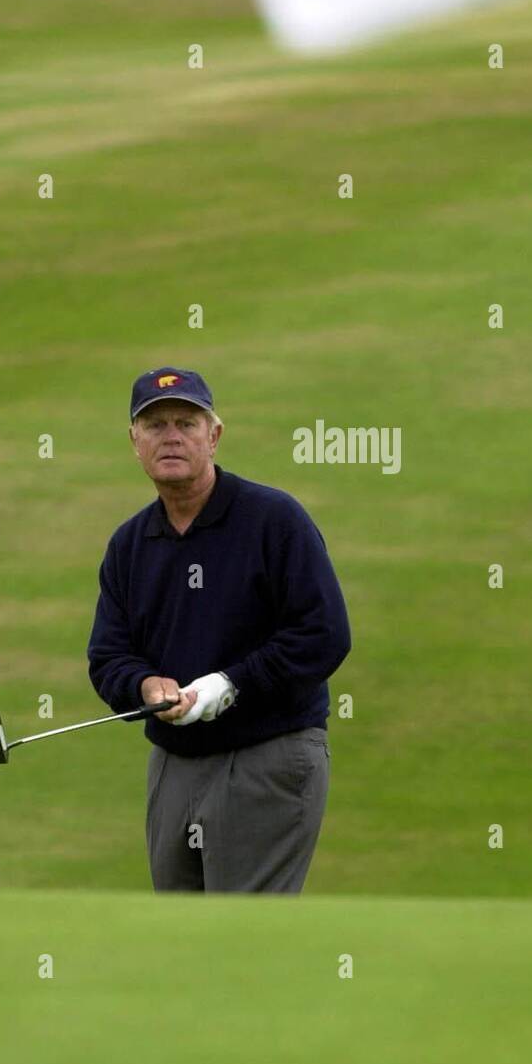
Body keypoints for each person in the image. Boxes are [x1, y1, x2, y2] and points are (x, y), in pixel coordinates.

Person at [87, 367, 351, 894]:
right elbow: (109, 654)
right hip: (174, 762)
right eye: (155, 425)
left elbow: (323, 634)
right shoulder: (131, 543)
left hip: (269, 753)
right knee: (183, 941)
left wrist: (229, 686)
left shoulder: (274, 520)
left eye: (187, 422)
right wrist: (144, 686)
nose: (172, 436)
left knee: (243, 938)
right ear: (134, 442)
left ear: (214, 435)